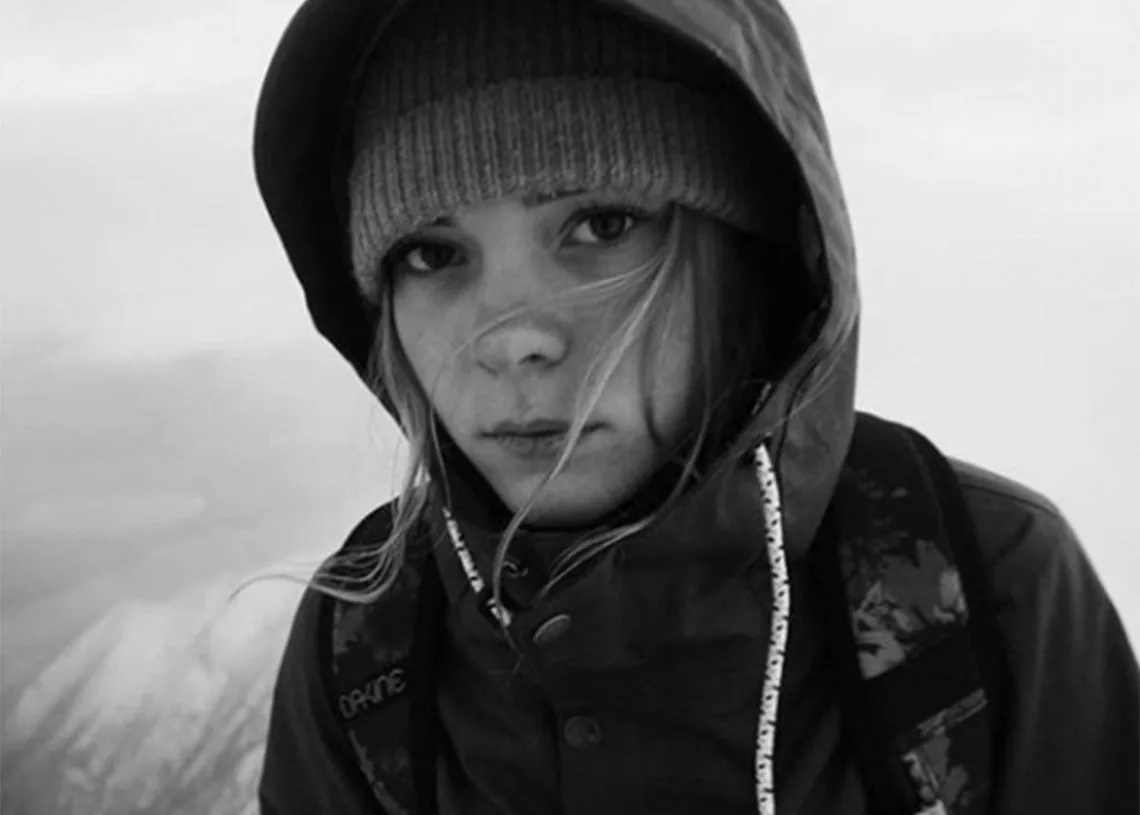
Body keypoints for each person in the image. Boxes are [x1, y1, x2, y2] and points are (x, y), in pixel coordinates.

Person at [252, 0, 1139, 812]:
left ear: (751, 250)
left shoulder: (986, 587)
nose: (511, 339)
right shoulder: (367, 643)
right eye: (432, 254)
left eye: (601, 224)